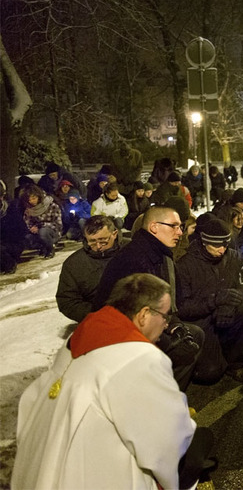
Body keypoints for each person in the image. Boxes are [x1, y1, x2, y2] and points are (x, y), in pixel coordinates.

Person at [12, 274, 213, 490]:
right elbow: (167, 443)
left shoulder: (78, 341)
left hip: (40, 474)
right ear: (144, 314)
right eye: (165, 316)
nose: (166, 325)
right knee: (200, 444)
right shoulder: (137, 357)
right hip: (97, 478)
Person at [94, 206, 203, 391]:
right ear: (154, 227)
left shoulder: (161, 255)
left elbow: (165, 304)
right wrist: (168, 340)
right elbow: (132, 319)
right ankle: (158, 403)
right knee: (182, 351)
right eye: (174, 226)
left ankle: (169, 396)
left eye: (181, 226)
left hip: (147, 325)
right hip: (118, 339)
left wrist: (175, 326)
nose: (180, 232)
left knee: (194, 336)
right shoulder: (135, 260)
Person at [176, 217, 243, 383]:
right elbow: (182, 307)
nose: (222, 250)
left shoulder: (234, 257)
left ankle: (236, 363)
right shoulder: (185, 264)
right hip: (202, 321)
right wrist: (213, 302)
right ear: (204, 242)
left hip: (229, 313)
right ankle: (217, 356)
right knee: (209, 374)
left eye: (225, 245)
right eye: (217, 245)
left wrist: (229, 304)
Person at [56, 216, 128, 323]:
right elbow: (67, 301)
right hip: (98, 320)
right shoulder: (74, 263)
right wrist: (96, 314)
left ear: (114, 234)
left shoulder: (132, 250)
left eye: (103, 240)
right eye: (92, 242)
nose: (98, 246)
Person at [20, 183, 62, 258]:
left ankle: (50, 249)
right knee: (27, 238)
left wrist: (40, 226)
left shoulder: (52, 206)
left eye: (33, 198)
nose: (32, 201)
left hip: (51, 231)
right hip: (37, 233)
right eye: (29, 200)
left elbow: (58, 224)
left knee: (43, 232)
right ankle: (42, 247)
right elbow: (28, 223)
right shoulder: (28, 210)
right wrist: (32, 228)